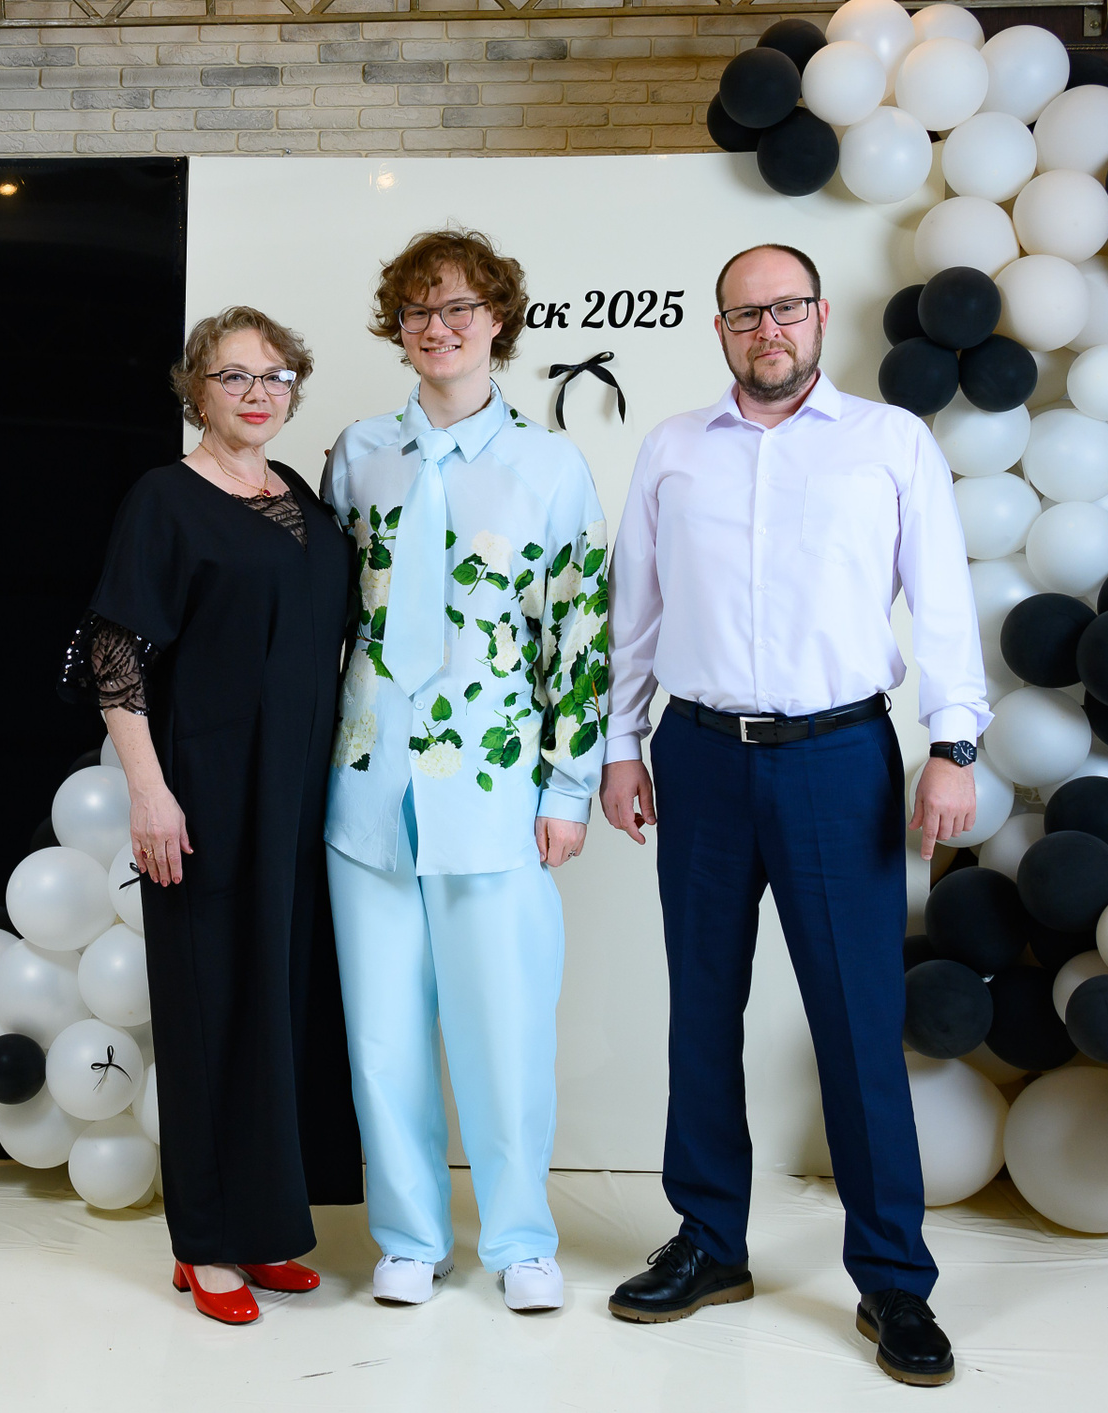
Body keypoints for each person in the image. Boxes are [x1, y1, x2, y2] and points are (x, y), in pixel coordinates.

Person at [599, 244, 987, 1387]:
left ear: (818, 317)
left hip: (839, 761)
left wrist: (953, 744)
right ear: (720, 329)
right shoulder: (672, 448)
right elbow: (635, 611)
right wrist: (620, 744)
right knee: (700, 1010)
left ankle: (894, 1280)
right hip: (700, 757)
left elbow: (944, 599)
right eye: (744, 314)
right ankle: (710, 1241)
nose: (767, 329)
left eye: (786, 309)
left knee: (860, 1023)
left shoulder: (890, 443)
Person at [321, 229, 608, 1314]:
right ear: (397, 328)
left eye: (459, 309)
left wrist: (569, 789)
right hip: (367, 786)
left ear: (498, 321)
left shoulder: (551, 466)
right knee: (382, 1033)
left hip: (495, 790)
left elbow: (581, 635)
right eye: (417, 311)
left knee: (506, 1031)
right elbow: (326, 615)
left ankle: (521, 1238)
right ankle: (407, 1236)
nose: (437, 328)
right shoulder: (358, 454)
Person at [59, 307, 362, 1327]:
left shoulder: (298, 494)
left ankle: (263, 1227)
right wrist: (149, 791)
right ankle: (204, 1245)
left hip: (298, 796)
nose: (257, 393)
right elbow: (115, 652)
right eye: (234, 376)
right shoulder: (166, 498)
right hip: (208, 793)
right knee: (210, 1012)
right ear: (197, 389)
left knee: (277, 1008)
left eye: (276, 376)